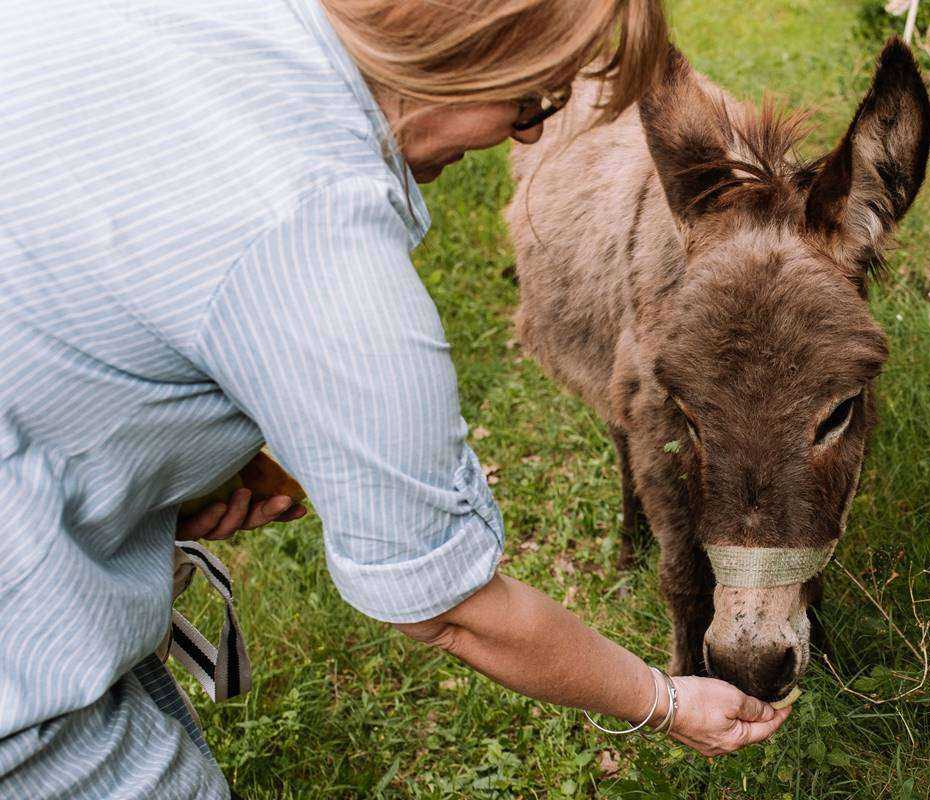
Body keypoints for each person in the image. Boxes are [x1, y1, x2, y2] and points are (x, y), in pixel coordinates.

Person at [0, 0, 790, 796]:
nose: (524, 135)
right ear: (476, 45)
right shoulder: (321, 251)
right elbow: (450, 608)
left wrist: (161, 466)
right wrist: (668, 701)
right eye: (531, 103)